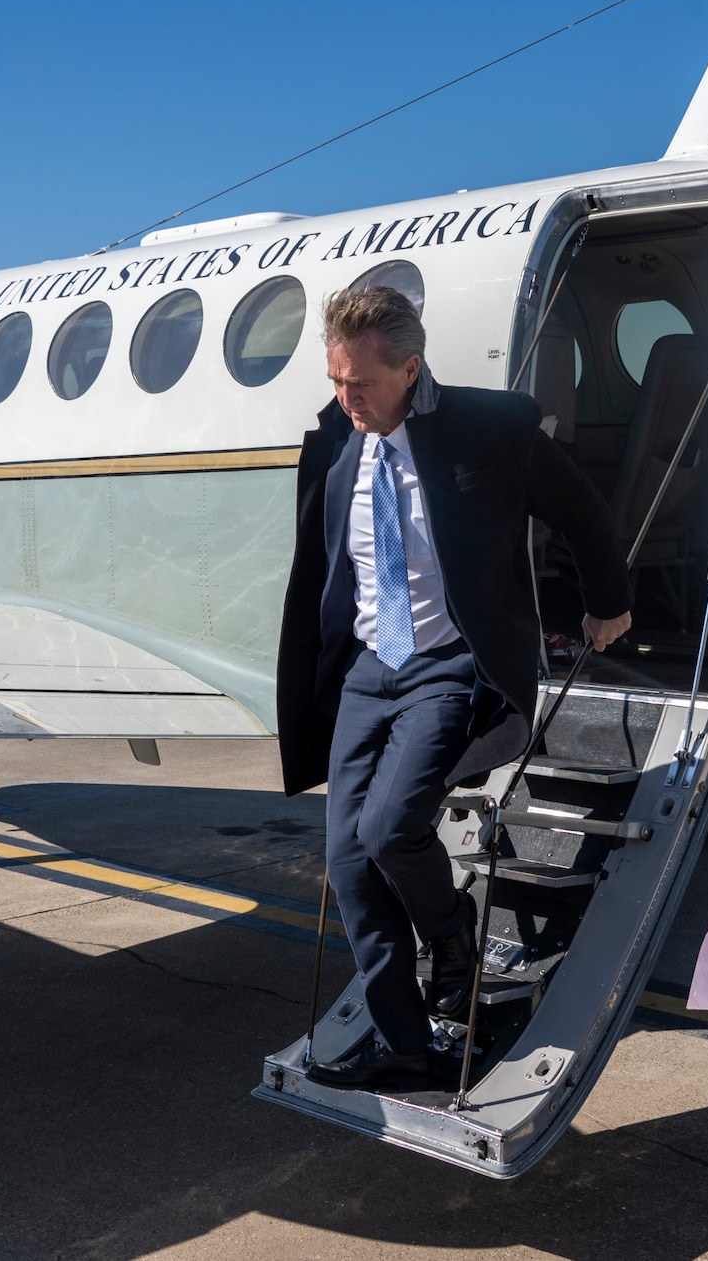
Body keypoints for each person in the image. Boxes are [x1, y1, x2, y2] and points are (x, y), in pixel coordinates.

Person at [276, 285, 632, 1089]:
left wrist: (606, 601)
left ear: (410, 368)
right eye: (334, 379)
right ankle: (405, 1039)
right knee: (347, 857)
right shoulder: (337, 437)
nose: (345, 398)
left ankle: (455, 943)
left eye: (360, 382)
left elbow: (580, 508)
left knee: (393, 829)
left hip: (445, 664)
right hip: (368, 670)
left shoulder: (488, 429)